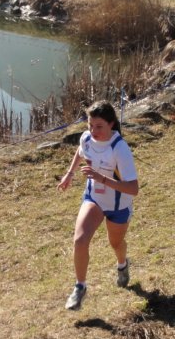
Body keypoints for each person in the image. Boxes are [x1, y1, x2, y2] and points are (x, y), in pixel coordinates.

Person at [57, 101, 139, 311]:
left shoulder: (119, 148)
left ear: (111, 124)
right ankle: (80, 287)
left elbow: (133, 188)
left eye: (99, 126)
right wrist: (70, 174)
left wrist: (101, 178)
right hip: (94, 199)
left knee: (116, 244)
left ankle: (122, 265)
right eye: (90, 125)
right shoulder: (87, 138)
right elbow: (81, 150)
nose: (93, 131)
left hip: (119, 205)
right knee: (80, 240)